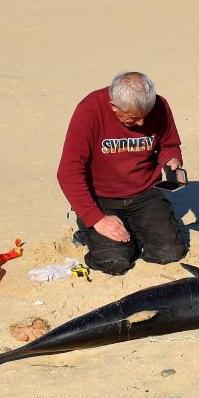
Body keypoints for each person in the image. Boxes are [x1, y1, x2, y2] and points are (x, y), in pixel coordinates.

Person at [57, 71, 186, 275]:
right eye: (134, 118)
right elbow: (69, 172)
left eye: (145, 116)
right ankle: (88, 233)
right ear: (113, 106)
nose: (142, 124)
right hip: (101, 197)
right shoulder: (89, 110)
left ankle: (129, 231)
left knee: (169, 254)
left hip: (145, 193)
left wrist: (172, 160)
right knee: (115, 262)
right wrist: (97, 219)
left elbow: (169, 145)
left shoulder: (159, 105)